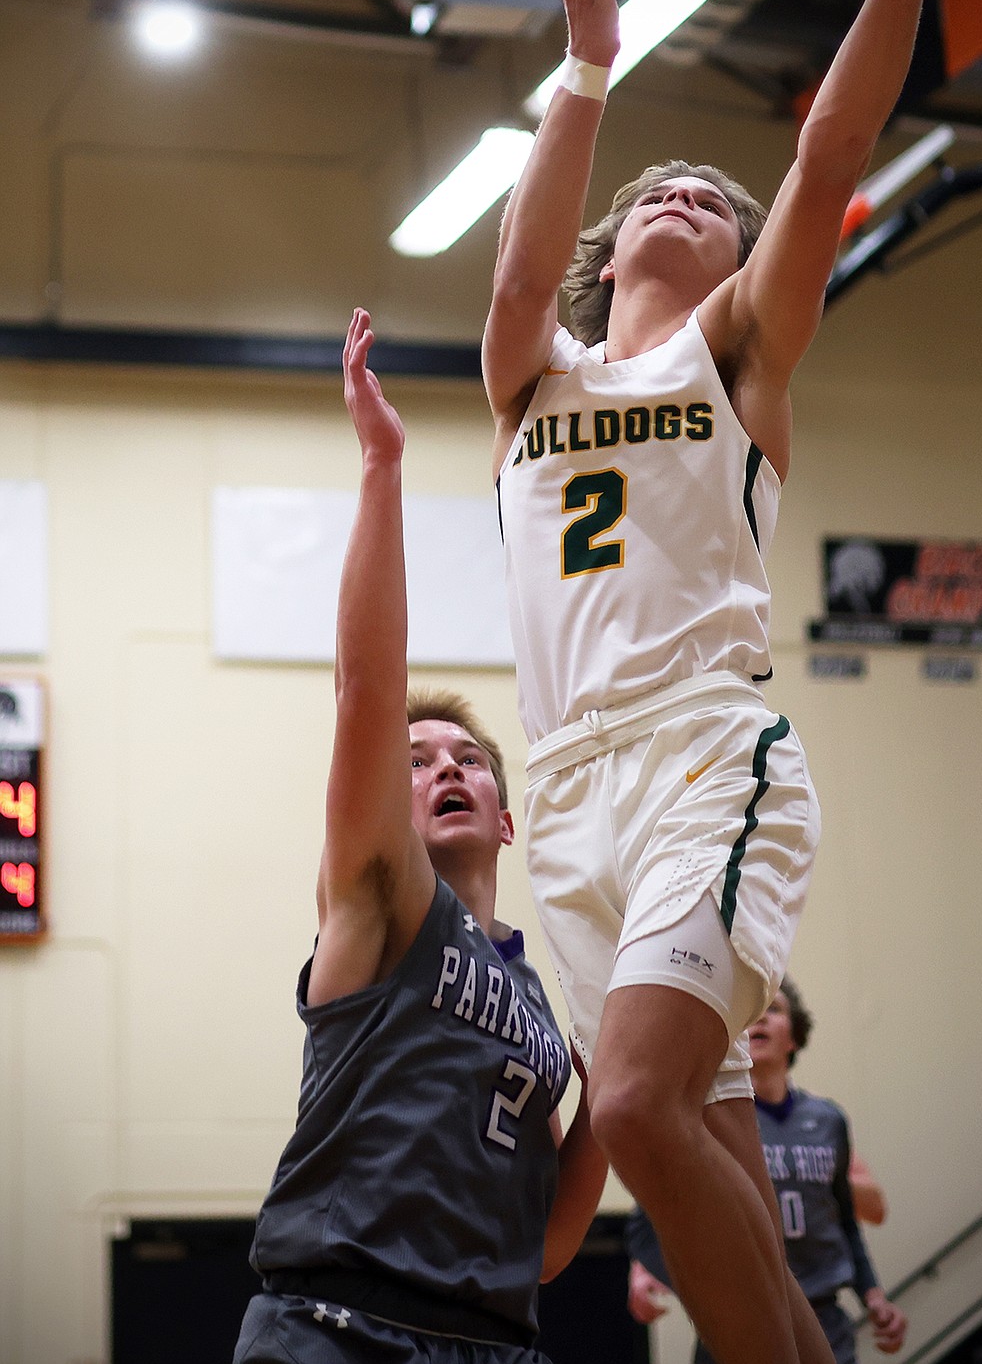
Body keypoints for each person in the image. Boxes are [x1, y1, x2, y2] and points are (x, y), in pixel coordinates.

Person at [482, 0, 950, 1364]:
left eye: (710, 197)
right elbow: (517, 273)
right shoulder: (530, 376)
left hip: (702, 759)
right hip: (572, 800)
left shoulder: (738, 357)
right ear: (614, 252)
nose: (685, 194)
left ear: (739, 262)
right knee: (701, 1171)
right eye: (656, 190)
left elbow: (824, 149)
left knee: (628, 1103)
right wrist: (584, 75)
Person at [233, 309, 607, 1364]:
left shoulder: (537, 1000)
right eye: (418, 758)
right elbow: (365, 690)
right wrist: (383, 466)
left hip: (492, 1340)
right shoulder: (384, 899)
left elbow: (547, 1245)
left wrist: (618, 1085)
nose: (444, 763)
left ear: (506, 812)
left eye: (469, 758)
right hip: (339, 1325)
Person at [626, 979, 908, 1364]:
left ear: (795, 1036)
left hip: (823, 1315)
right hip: (741, 1319)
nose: (759, 1020)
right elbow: (646, 1224)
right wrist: (696, 1289)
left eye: (773, 1009)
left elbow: (846, 1221)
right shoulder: (702, 1119)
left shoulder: (828, 1120)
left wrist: (873, 1295)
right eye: (749, 1014)